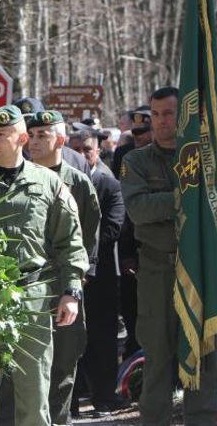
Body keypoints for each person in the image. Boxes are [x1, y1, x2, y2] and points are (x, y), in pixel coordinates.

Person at [0, 105, 87, 426]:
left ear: (23, 138)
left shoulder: (48, 182)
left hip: (33, 297)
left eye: (3, 134)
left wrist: (71, 290)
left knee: (34, 395)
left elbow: (69, 240)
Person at [120, 87, 217, 424]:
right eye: (155, 115)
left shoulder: (205, 161)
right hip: (158, 271)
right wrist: (187, 195)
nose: (161, 122)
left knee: (203, 353)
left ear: (183, 116)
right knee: (157, 355)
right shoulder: (136, 161)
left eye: (168, 114)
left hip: (201, 271)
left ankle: (201, 418)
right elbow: (138, 209)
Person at [26, 110, 99, 424]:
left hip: (64, 281)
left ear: (60, 140)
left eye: (42, 135)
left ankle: (58, 419)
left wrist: (76, 279)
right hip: (29, 282)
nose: (34, 141)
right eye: (31, 135)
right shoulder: (20, 176)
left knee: (63, 361)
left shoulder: (78, 182)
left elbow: (88, 232)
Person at [68, 130, 127, 414]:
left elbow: (113, 227)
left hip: (101, 274)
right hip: (67, 273)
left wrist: (82, 255)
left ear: (98, 151)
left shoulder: (108, 183)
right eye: (75, 149)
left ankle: (104, 396)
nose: (81, 154)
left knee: (102, 338)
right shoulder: (59, 179)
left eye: (87, 149)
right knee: (69, 338)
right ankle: (71, 400)